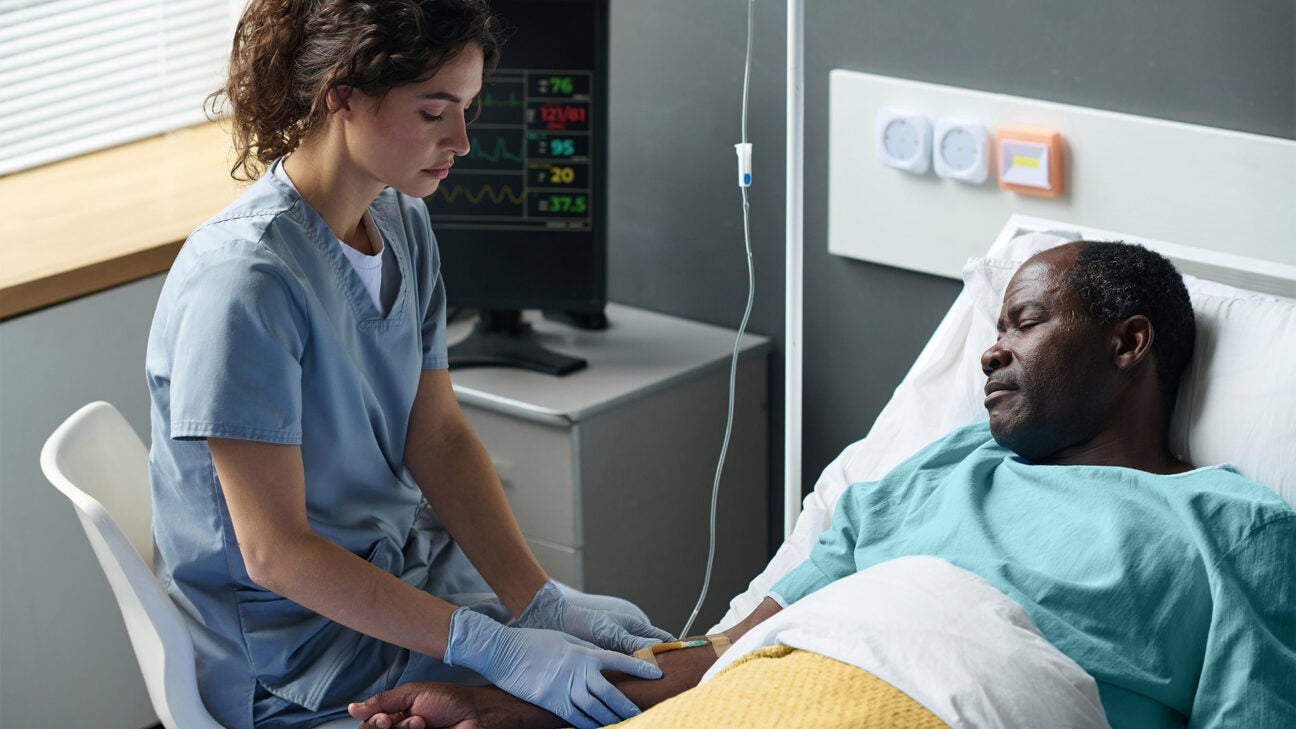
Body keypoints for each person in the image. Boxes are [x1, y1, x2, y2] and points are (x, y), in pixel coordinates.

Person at [347, 241, 1296, 729]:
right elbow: (735, 650)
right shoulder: (933, 468)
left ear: (1130, 342)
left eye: (1028, 320)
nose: (992, 347)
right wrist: (523, 706)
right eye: (994, 325)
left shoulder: (1230, 528)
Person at [145, 2, 671, 728]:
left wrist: (537, 600)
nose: (461, 138)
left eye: (466, 108)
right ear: (344, 94)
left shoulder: (402, 221)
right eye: (434, 112)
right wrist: (499, 649)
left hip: (399, 577)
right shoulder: (245, 279)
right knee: (597, 703)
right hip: (295, 653)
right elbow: (276, 554)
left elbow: (439, 436)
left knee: (633, 638)